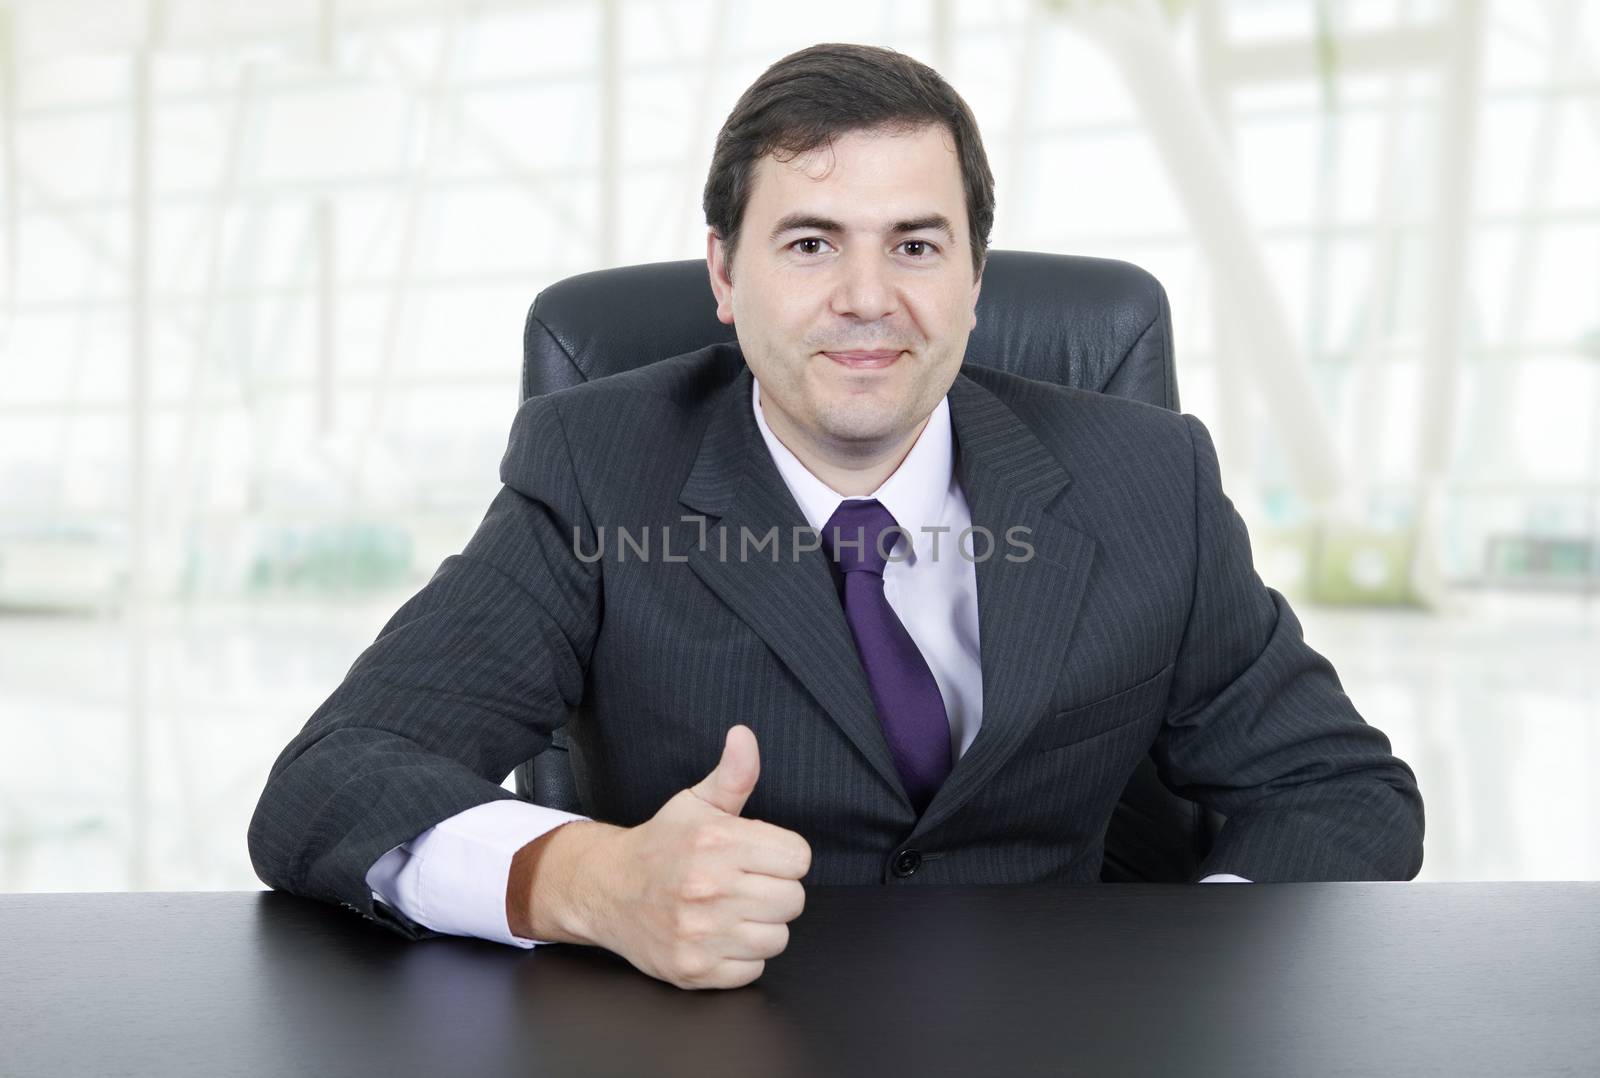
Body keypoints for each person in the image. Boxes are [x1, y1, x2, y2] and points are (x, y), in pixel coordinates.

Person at [248, 42, 1424, 991]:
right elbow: (331, 782)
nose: (868, 300)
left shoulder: (1145, 476)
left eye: (915, 244)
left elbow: (1335, 790)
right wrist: (586, 881)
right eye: (810, 244)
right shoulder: (598, 471)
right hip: (710, 1033)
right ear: (723, 273)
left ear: (973, 278)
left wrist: (1182, 970)